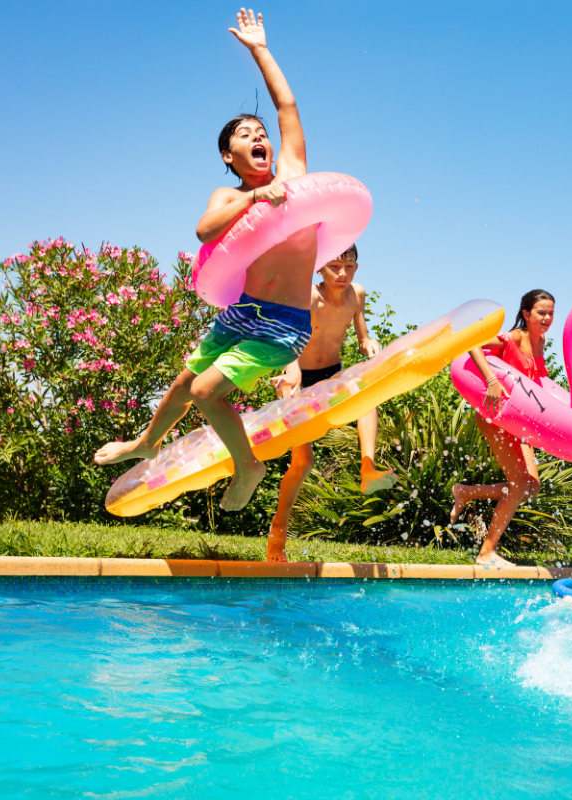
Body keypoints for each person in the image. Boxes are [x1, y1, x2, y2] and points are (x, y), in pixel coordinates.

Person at [94, 9, 316, 512]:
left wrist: (259, 50)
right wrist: (255, 199)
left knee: (206, 390)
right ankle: (145, 443)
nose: (259, 136)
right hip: (243, 313)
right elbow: (204, 230)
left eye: (261, 132)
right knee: (181, 384)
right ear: (227, 155)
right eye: (244, 134)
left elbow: (288, 103)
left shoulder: (297, 174)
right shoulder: (229, 194)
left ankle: (248, 465)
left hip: (283, 324)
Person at [264, 244, 397, 562]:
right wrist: (291, 368)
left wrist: (370, 343)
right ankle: (276, 539)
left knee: (367, 396)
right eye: (335, 266)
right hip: (298, 376)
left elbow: (362, 336)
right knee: (302, 463)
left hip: (331, 376)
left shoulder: (356, 294)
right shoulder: (307, 297)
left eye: (349, 267)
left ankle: (368, 469)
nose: (342, 274)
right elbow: (287, 338)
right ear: (318, 268)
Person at [448, 289, 555, 568]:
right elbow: (470, 340)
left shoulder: (540, 341)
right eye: (541, 312)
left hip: (520, 421)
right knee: (519, 485)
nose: (547, 318)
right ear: (526, 314)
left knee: (531, 487)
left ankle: (467, 492)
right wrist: (491, 380)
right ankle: (486, 553)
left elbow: (536, 383)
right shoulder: (515, 338)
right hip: (498, 415)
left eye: (551, 313)